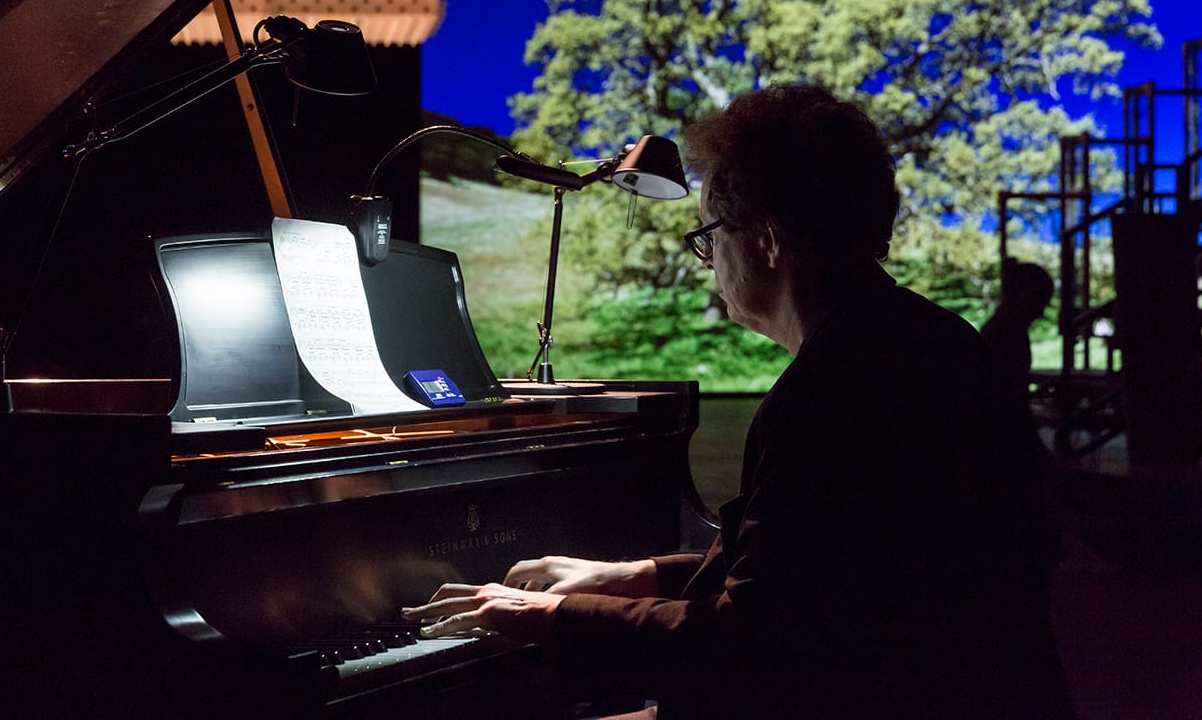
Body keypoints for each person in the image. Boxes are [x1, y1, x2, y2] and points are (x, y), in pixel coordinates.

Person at [402, 84, 1073, 718]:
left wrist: (546, 616)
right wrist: (633, 573)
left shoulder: (834, 388)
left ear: (769, 238)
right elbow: (817, 575)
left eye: (711, 235)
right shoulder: (921, 341)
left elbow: (752, 644)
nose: (709, 260)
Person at [980, 258, 1055, 412]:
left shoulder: (999, 329)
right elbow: (1013, 399)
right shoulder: (1007, 334)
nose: (1041, 312)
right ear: (1026, 295)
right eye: (1041, 302)